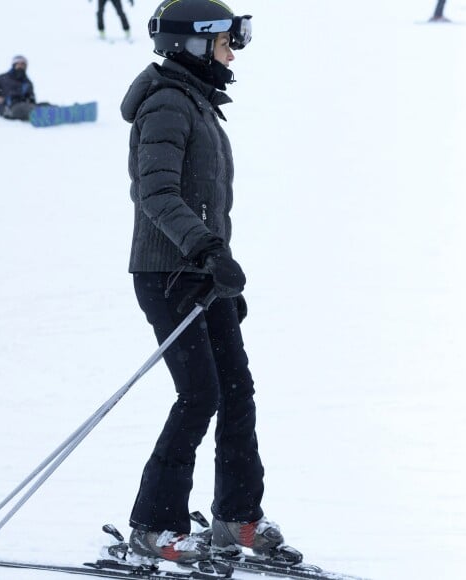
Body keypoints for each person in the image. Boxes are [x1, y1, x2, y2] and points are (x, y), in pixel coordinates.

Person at [120, 0, 304, 565]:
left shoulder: (197, 103)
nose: (233, 51)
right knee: (200, 394)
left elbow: (202, 201)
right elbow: (155, 194)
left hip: (203, 273)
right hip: (169, 273)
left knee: (237, 392)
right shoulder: (169, 105)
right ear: (192, 44)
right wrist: (202, 249)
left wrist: (220, 268)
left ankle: (236, 519)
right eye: (226, 40)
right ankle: (154, 525)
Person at [0, 55, 47, 121]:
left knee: (44, 104)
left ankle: (56, 112)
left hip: (25, 106)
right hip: (9, 108)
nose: (21, 66)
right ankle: (42, 115)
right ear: (14, 65)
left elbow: (31, 97)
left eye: (23, 64)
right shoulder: (4, 78)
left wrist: (30, 99)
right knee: (26, 108)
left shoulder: (27, 82)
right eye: (19, 64)